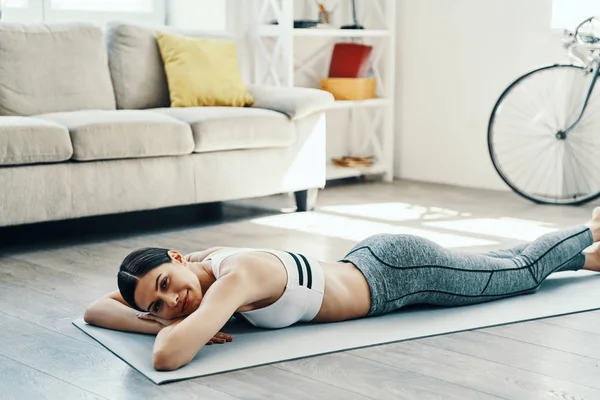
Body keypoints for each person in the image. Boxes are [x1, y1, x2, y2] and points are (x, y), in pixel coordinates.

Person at [84, 208, 600, 371]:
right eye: (158, 301)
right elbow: (96, 309)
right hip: (373, 260)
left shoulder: (233, 280)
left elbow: (166, 358)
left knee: (516, 273)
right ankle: (589, 257)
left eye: (166, 286)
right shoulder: (203, 265)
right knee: (491, 265)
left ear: (176, 259)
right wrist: (158, 316)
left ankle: (591, 227)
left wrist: (172, 326)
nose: (174, 301)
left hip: (400, 275)